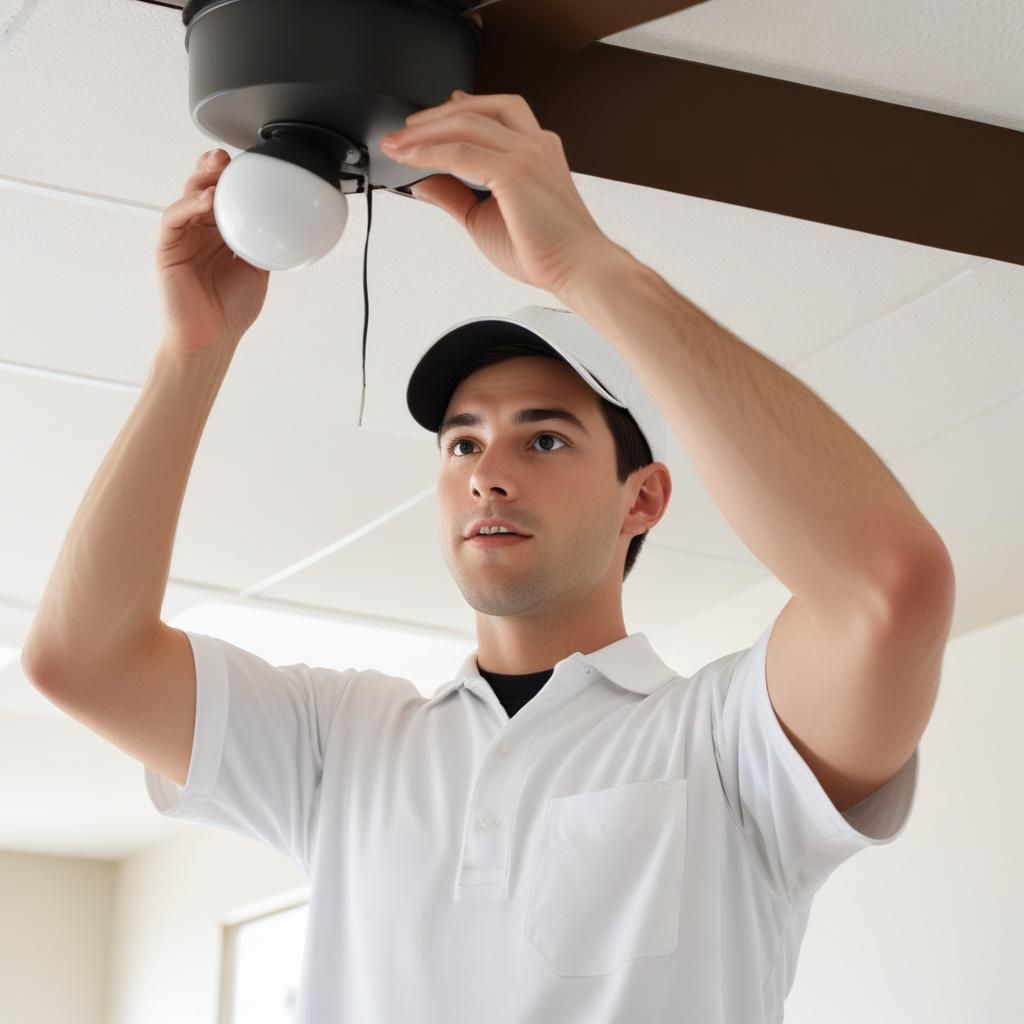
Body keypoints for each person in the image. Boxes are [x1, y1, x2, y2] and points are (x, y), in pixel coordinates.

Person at [22, 95, 930, 1024]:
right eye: (463, 443)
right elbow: (82, 660)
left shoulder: (729, 743)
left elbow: (887, 588)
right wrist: (193, 353)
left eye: (544, 441)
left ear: (643, 499)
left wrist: (587, 264)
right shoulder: (344, 744)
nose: (487, 474)